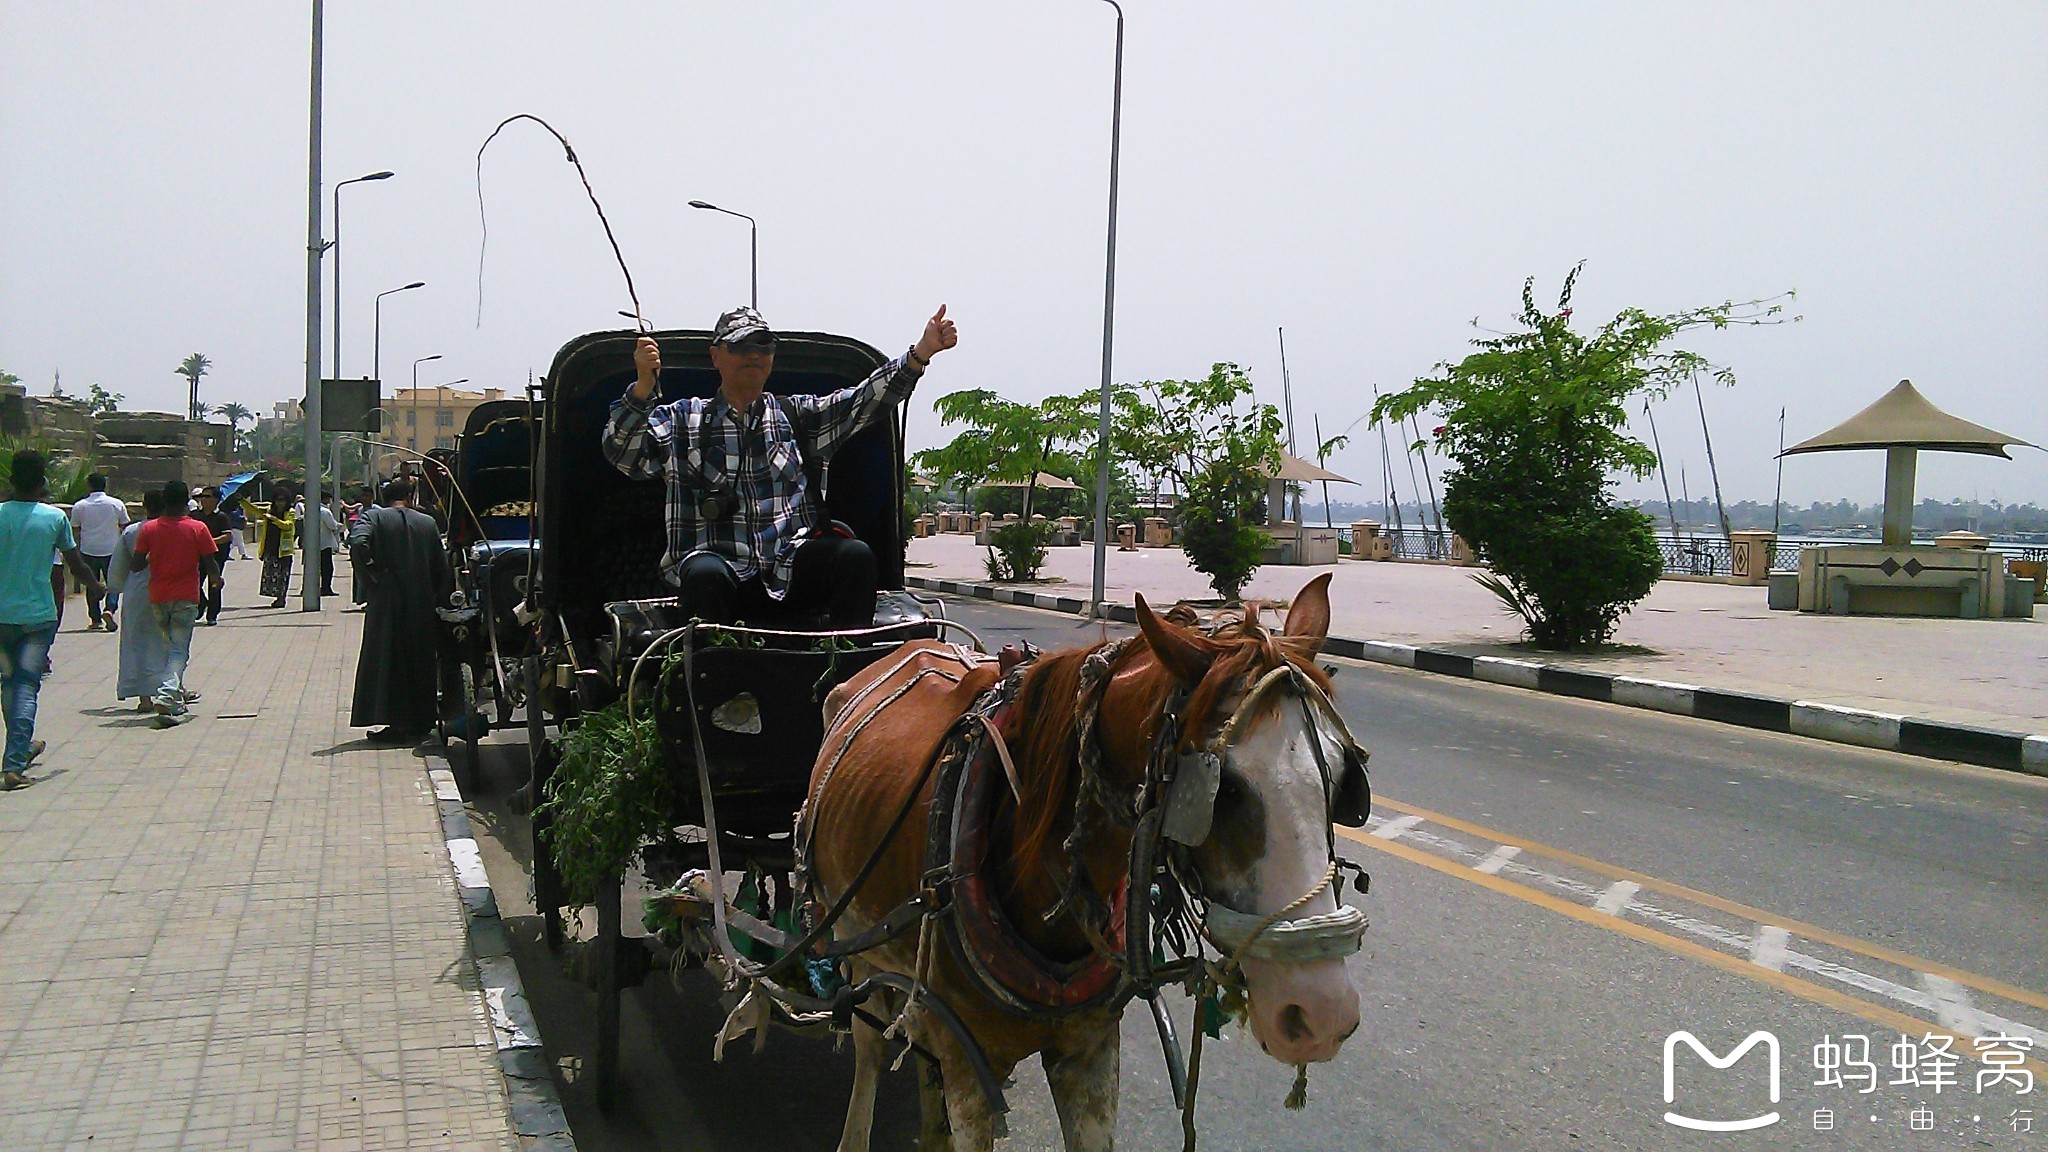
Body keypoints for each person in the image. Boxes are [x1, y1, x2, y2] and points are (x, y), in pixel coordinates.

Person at [602, 304, 957, 629]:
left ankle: (850, 672)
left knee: (855, 556)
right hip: (720, 571)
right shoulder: (681, 420)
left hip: (791, 567)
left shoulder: (798, 416)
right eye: (740, 347)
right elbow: (624, 456)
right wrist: (642, 388)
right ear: (716, 356)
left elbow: (864, 402)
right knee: (702, 574)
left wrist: (920, 354)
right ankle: (708, 687)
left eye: (763, 346)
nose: (753, 355)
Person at [0, 452, 105, 789]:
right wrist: (96, 587)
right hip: (38, 616)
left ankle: (18, 747)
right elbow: (76, 563)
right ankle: (14, 762)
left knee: (8, 681)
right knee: (27, 684)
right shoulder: (54, 518)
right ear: (43, 482)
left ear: (11, 481)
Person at [348, 477, 452, 743]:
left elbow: (358, 543)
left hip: (387, 602)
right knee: (420, 658)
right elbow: (442, 566)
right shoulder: (427, 522)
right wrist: (439, 597)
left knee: (388, 658)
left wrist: (372, 577)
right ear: (410, 497)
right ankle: (421, 720)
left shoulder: (373, 518)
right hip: (421, 600)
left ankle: (396, 724)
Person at [132, 480, 223, 727]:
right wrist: (216, 579)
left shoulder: (149, 529)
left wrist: (155, 555)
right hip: (185, 596)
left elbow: (136, 564)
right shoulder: (197, 527)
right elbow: (209, 560)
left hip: (158, 596)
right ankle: (168, 694)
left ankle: (173, 694)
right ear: (186, 502)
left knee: (167, 648)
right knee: (179, 649)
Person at [109, 489, 172, 709]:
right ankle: (168, 691)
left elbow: (118, 567)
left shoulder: (132, 531)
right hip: (168, 589)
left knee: (136, 641)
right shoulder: (173, 529)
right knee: (167, 642)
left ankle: (144, 698)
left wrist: (113, 591)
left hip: (137, 591)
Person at [69, 472, 128, 632]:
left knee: (91, 583)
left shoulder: (80, 505)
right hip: (111, 549)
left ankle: (95, 619)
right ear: (105, 485)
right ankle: (110, 609)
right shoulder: (116, 504)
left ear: (89, 486)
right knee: (114, 583)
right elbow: (125, 525)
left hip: (88, 549)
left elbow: (74, 528)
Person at [193, 487, 233, 625]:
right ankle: (201, 603)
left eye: (207, 496)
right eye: (202, 496)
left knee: (214, 584)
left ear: (216, 499)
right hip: (197, 556)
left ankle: (212, 615)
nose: (203, 499)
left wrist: (209, 542)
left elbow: (227, 536)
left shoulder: (221, 516)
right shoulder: (194, 515)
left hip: (216, 556)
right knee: (195, 582)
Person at [257, 485, 297, 608]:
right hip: (270, 548)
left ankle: (281, 598)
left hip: (284, 550)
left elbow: (288, 525)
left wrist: (273, 519)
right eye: (278, 500)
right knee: (271, 575)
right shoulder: (269, 510)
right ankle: (276, 596)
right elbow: (254, 509)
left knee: (283, 575)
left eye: (283, 500)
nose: (280, 503)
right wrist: (241, 500)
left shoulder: (290, 512)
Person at [317, 495, 343, 597]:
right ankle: (326, 588)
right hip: (325, 543)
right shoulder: (325, 512)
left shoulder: (310, 510)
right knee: (327, 568)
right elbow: (332, 526)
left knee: (311, 567)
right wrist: (339, 526)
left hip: (311, 543)